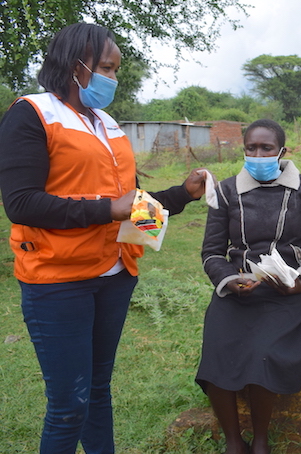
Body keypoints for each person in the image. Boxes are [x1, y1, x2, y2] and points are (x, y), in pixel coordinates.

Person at [0, 23, 206, 454]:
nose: (114, 78)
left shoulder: (108, 123)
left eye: (116, 69)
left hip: (115, 275)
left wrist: (182, 195)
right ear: (77, 66)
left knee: (97, 392)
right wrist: (106, 209)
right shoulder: (32, 113)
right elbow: (21, 204)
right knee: (68, 406)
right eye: (107, 68)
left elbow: (127, 201)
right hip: (57, 281)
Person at [196, 119, 301, 454]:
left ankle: (260, 441)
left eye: (266, 148)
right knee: (215, 359)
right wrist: (230, 280)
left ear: (282, 151)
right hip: (238, 293)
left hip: (286, 296)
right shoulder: (225, 192)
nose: (257, 154)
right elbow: (211, 251)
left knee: (263, 357)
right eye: (251, 148)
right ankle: (233, 442)